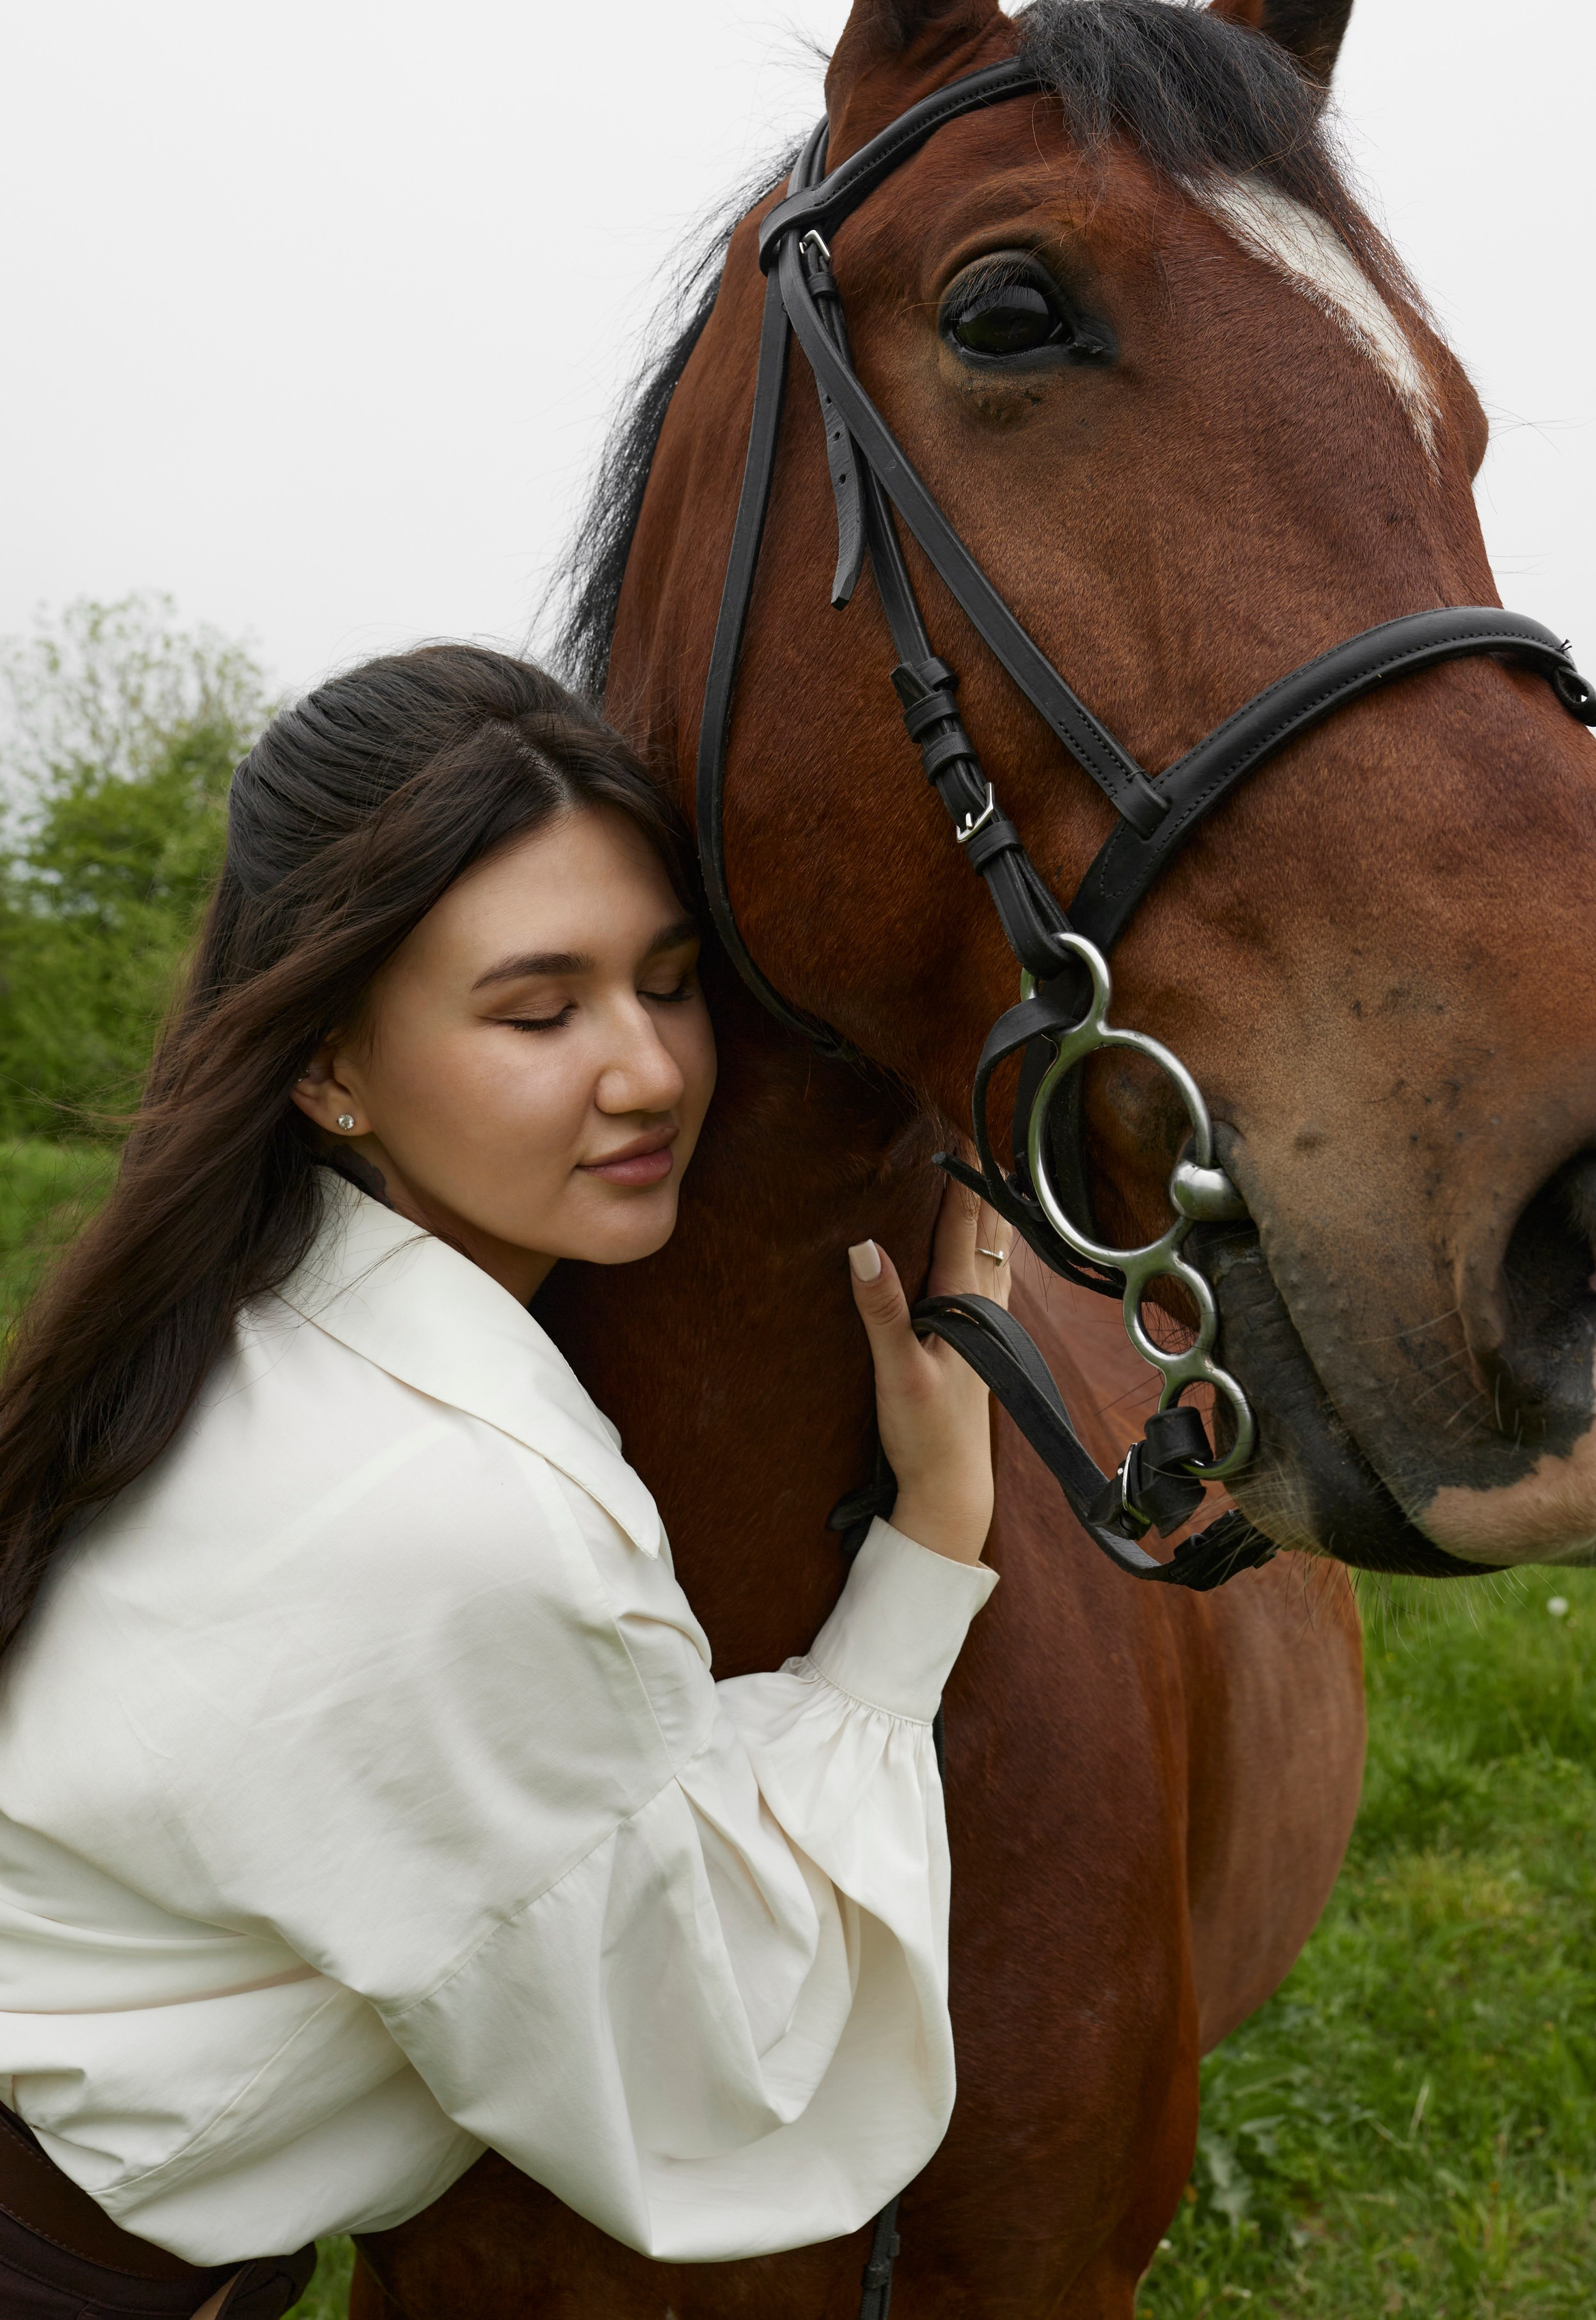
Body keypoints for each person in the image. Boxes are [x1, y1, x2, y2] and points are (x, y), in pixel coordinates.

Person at [0, 646, 1007, 2319]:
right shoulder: (457, 1510)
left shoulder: (238, 1327)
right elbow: (720, 2061)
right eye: (537, 1011)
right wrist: (928, 1550)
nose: (648, 1073)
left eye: (669, 982)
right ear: (325, 1068)